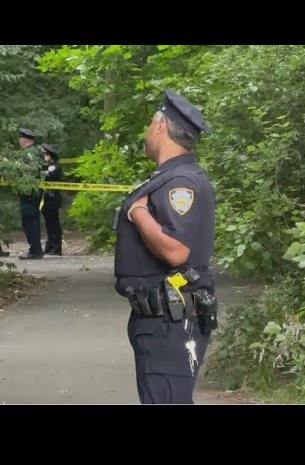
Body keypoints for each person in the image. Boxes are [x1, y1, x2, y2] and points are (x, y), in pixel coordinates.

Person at [113, 89, 218, 404]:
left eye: (149, 124)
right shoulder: (169, 177)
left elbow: (176, 251)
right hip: (161, 319)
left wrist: (139, 213)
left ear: (160, 127)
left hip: (170, 321)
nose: (147, 132)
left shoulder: (180, 183)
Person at [17, 128, 45, 260]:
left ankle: (35, 249)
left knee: (29, 221)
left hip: (29, 192)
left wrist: (16, 167)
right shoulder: (37, 151)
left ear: (25, 140)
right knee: (31, 220)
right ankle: (35, 248)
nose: (19, 141)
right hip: (32, 191)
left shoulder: (29, 153)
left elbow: (33, 168)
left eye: (20, 138)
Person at [40, 144, 64, 256]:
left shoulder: (55, 166)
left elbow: (49, 176)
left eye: (45, 154)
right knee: (49, 224)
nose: (44, 157)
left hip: (53, 198)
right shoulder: (47, 166)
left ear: (51, 155)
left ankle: (56, 246)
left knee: (54, 223)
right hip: (46, 199)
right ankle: (50, 245)